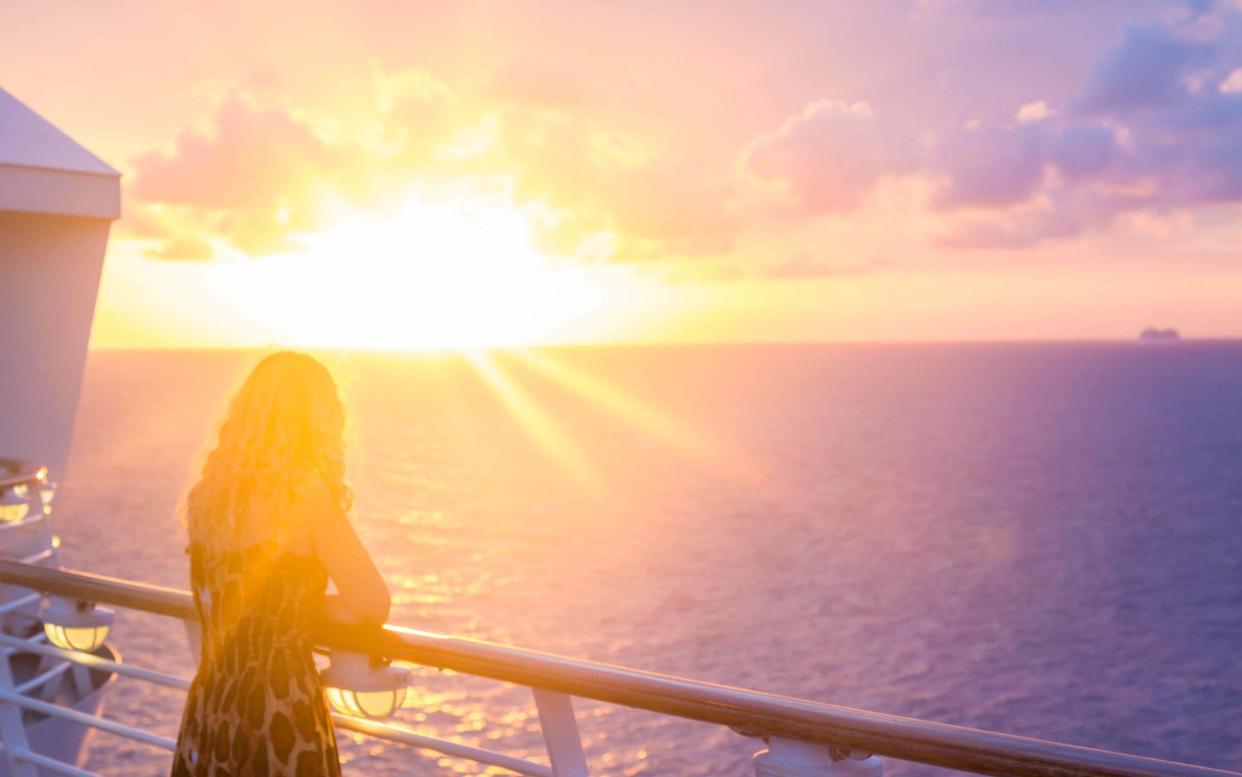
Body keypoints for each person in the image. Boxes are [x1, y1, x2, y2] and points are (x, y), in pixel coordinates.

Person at [172, 351, 390, 776]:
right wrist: (303, 610)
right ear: (317, 419)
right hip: (278, 707)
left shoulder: (208, 498)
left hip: (211, 704)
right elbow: (372, 603)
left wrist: (288, 606)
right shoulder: (303, 496)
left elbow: (229, 598)